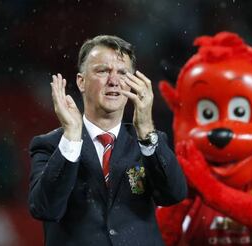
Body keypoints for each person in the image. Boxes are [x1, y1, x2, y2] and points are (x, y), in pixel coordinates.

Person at [28, 35, 187, 246]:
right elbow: (44, 208)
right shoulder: (51, 145)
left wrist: (147, 129)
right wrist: (72, 138)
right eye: (103, 71)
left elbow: (174, 195)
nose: (114, 80)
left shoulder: (147, 142)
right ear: (81, 81)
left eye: (123, 73)